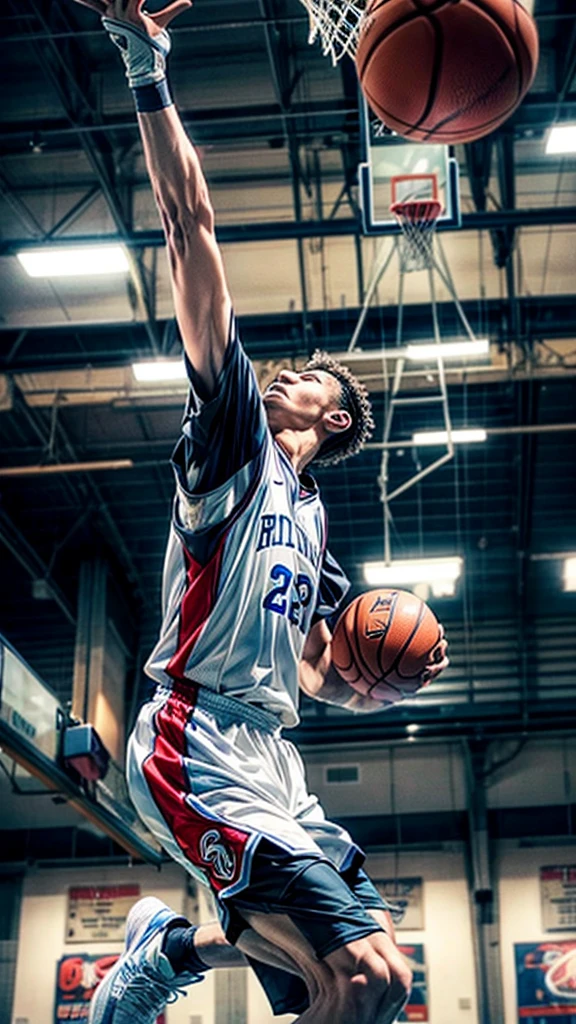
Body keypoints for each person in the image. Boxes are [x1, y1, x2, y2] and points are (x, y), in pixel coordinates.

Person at [72, 2, 449, 1022]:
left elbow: (320, 670)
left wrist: (376, 684)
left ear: (333, 414)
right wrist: (146, 72)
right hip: (193, 735)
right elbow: (189, 227)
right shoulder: (234, 429)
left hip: (274, 756)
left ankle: (166, 953)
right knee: (355, 978)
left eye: (312, 377)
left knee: (392, 979)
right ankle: (166, 956)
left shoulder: (318, 521)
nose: (287, 369)